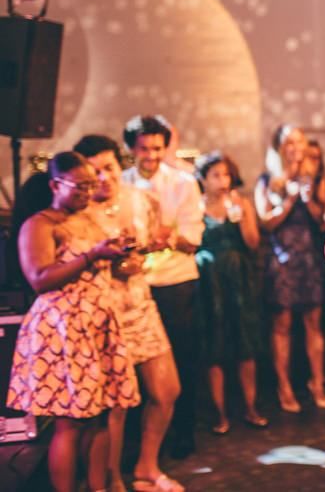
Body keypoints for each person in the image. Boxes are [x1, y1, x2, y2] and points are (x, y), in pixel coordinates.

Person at [6, 152, 140, 492]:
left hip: (96, 326)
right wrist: (92, 255)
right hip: (63, 330)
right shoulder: (40, 224)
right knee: (69, 424)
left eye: (91, 186)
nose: (87, 193)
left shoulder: (89, 220)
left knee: (100, 417)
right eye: (79, 187)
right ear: (55, 185)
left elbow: (106, 269)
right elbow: (39, 278)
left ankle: (97, 487)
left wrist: (124, 256)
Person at [73, 135, 182, 492]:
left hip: (141, 302)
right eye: (96, 171)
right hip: (104, 314)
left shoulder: (139, 199)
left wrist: (146, 252)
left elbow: (151, 243)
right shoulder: (79, 211)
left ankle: (146, 467)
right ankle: (111, 479)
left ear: (120, 166)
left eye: (109, 168)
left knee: (167, 390)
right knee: (115, 408)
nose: (104, 177)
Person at [122, 115, 204, 460]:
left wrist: (168, 236)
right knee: (133, 366)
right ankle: (135, 444)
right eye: (144, 149)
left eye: (157, 148)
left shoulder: (183, 183)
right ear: (131, 148)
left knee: (181, 360)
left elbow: (193, 239)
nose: (151, 155)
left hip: (175, 282)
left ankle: (183, 433)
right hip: (134, 285)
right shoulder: (120, 183)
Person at [254, 125, 325, 412]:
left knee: (314, 324)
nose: (296, 147)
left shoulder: (315, 177)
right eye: (289, 143)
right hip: (282, 258)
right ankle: (284, 387)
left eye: (299, 141)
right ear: (279, 148)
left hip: (310, 256)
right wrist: (289, 198)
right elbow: (266, 221)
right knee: (282, 325)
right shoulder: (268, 180)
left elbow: (324, 217)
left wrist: (308, 196)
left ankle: (318, 384)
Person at [195, 152, 268, 432]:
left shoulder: (241, 203)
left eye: (226, 174)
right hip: (209, 279)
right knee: (215, 344)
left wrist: (240, 216)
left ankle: (250, 407)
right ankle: (219, 413)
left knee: (245, 342)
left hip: (238, 277)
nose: (223, 181)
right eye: (216, 175)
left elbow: (252, 243)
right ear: (203, 179)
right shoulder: (196, 206)